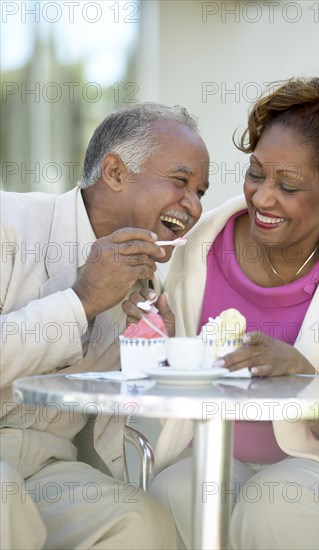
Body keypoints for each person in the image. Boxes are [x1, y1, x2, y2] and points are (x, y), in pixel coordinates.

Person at [124, 77, 319, 549]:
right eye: (256, 173)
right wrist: (162, 341)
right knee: (175, 491)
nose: (262, 197)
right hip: (214, 454)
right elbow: (159, 384)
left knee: (276, 503)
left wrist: (304, 377)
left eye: (288, 185)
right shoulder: (197, 247)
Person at [0, 102, 210, 549]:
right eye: (180, 181)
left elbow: (109, 403)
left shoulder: (143, 277)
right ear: (114, 172)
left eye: (200, 191)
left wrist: (156, 354)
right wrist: (82, 300)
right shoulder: (8, 225)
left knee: (142, 522)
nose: (192, 206)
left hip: (49, 467)